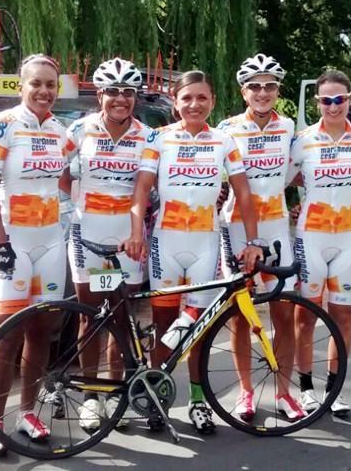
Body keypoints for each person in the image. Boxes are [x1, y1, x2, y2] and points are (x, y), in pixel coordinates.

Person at [123, 70, 263, 434]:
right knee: (165, 325)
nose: (194, 105)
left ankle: (199, 400)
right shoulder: (159, 138)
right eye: (187, 98)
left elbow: (243, 193)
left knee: (198, 328)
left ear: (213, 102)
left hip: (205, 244)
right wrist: (137, 232)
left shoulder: (223, 141)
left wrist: (253, 241)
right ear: (175, 102)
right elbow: (141, 191)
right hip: (165, 244)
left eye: (202, 98)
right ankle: (156, 395)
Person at [0, 53, 69, 456]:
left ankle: (28, 412)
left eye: (51, 85)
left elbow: (68, 183)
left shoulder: (61, 130)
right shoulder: (2, 125)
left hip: (50, 241)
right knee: (7, 335)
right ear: (22, 85)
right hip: (13, 242)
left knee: (42, 332)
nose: (44, 91)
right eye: (37, 84)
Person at [60, 57, 152, 431]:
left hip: (128, 237)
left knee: (120, 315)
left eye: (127, 92)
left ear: (135, 97)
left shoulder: (148, 136)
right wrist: (79, 209)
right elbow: (61, 176)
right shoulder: (78, 131)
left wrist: (134, 233)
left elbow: (144, 190)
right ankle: (92, 396)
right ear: (99, 95)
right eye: (112, 91)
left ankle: (116, 391)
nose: (120, 98)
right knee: (91, 316)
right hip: (89, 235)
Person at [216, 54, 303, 421]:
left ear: (278, 90)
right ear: (243, 92)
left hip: (277, 228)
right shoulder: (227, 128)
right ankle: (246, 392)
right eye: (255, 86)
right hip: (236, 228)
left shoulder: (289, 127)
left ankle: (284, 391)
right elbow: (216, 179)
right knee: (240, 315)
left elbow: (300, 174)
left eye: (269, 86)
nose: (262, 92)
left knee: (284, 314)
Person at [288, 70, 351, 417]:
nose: (334, 106)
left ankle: (333, 389)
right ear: (317, 102)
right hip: (311, 237)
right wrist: (301, 204)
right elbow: (287, 178)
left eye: (340, 99)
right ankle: (306, 388)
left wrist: (349, 201)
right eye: (326, 100)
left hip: (348, 238)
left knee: (343, 319)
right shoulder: (303, 140)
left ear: (350, 99)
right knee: (306, 316)